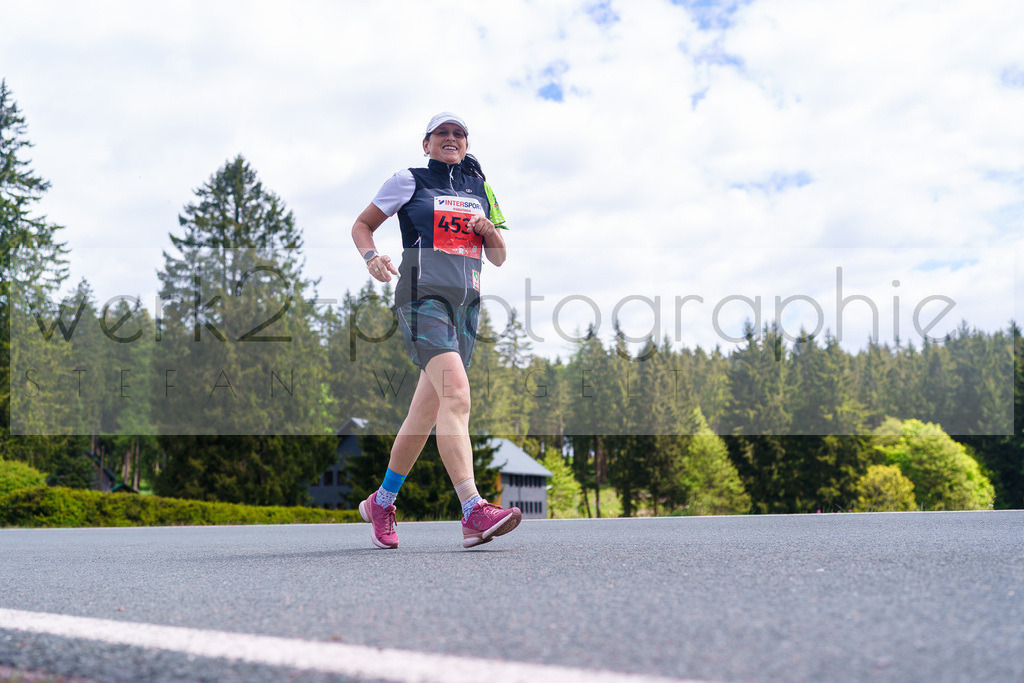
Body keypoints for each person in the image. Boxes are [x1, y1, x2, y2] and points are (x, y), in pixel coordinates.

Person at [350, 112, 521, 549]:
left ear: (466, 143)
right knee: (458, 395)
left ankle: (382, 501)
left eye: (458, 134)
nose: (451, 138)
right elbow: (362, 224)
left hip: (466, 307)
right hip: (422, 298)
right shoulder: (409, 180)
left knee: (425, 414)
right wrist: (371, 257)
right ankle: (473, 510)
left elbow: (499, 257)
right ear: (426, 143)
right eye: (441, 133)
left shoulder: (481, 189)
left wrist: (489, 231)